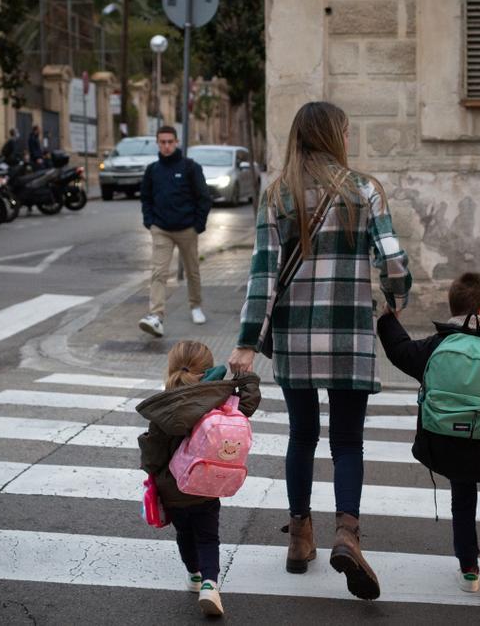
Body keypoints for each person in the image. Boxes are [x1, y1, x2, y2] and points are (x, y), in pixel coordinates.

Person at [227, 101, 412, 601]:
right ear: (335, 137)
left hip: (295, 338)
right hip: (349, 334)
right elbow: (393, 261)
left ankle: (299, 537)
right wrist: (396, 301)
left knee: (301, 435)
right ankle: (347, 534)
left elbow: (263, 278)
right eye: (346, 133)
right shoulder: (365, 190)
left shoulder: (277, 195)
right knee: (348, 442)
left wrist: (247, 343)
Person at [376, 272, 480, 596]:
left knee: (462, 502)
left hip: (449, 445)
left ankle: (468, 570)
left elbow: (400, 351)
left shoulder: (438, 345)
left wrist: (388, 320)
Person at [135, 340, 262, 617]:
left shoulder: (164, 407)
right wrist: (246, 376)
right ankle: (209, 584)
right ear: (207, 369)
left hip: (174, 487)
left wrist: (151, 467)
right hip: (208, 482)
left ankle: (193, 574)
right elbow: (248, 404)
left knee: (185, 533)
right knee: (207, 537)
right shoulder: (216, 396)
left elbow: (153, 456)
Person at [139, 126, 212, 337]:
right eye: (162, 142)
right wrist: (149, 222)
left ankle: (195, 306)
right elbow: (145, 198)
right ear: (157, 143)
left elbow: (204, 198)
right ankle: (156, 316)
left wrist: (198, 225)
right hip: (161, 229)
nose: (166, 146)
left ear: (177, 142)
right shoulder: (152, 170)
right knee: (158, 272)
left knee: (192, 270)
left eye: (170, 141)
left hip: (187, 228)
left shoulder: (190, 167)